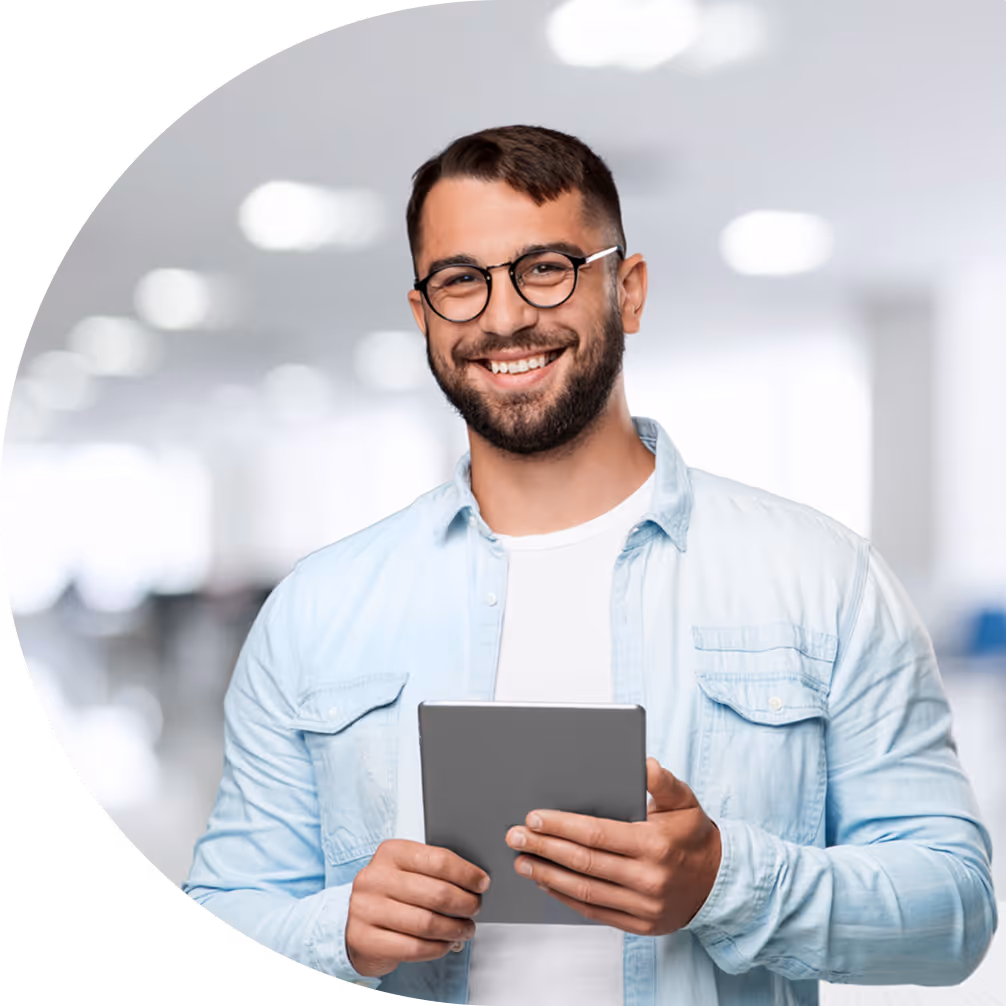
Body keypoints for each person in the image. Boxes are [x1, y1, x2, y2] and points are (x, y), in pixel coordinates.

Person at [183, 125, 997, 1003]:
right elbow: (229, 905)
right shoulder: (317, 609)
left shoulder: (823, 579)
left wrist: (725, 881)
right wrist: (336, 929)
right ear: (423, 315)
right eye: (460, 281)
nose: (502, 317)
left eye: (545, 268)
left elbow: (953, 913)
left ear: (629, 289)